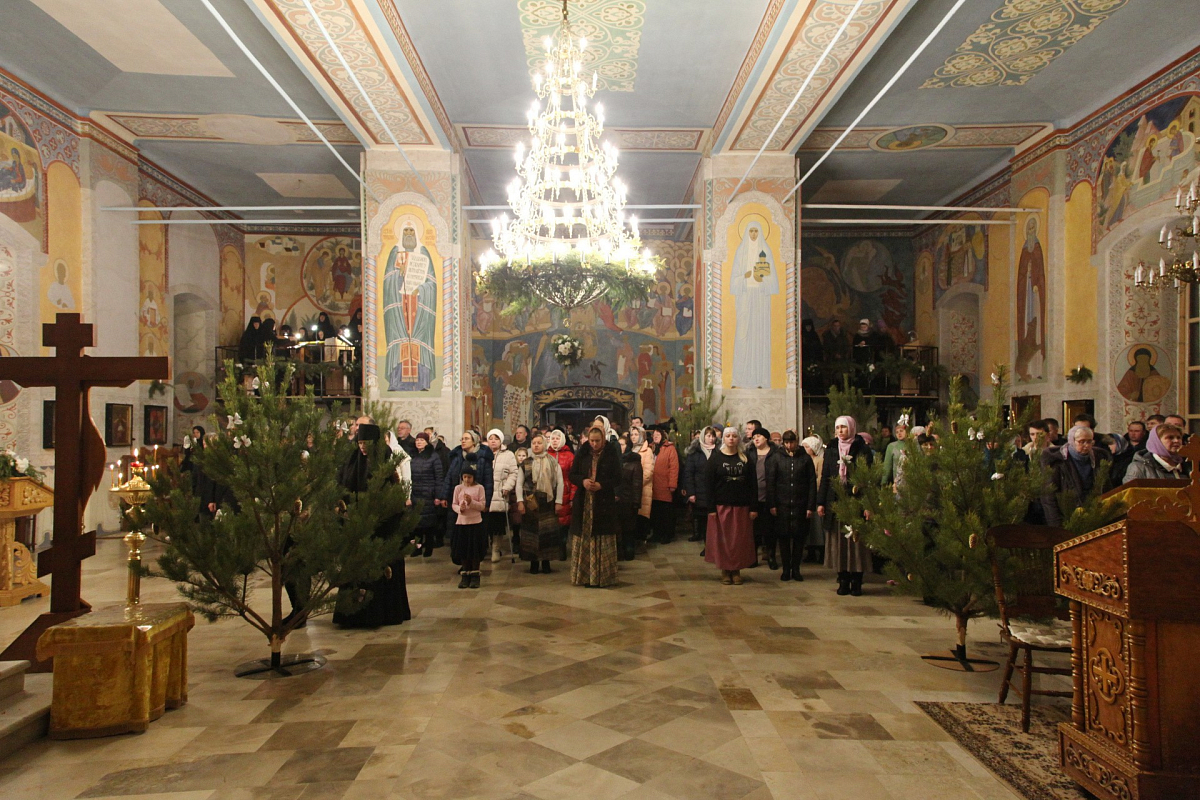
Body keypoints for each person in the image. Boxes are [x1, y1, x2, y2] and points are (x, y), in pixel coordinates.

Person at [332, 423, 411, 626]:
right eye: (359, 443)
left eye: (366, 443)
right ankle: (354, 614)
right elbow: (342, 488)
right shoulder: (352, 461)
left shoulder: (386, 461)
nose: (362, 447)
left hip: (382, 527)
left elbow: (394, 494)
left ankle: (383, 613)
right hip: (356, 525)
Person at [818, 415, 873, 597]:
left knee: (856, 542)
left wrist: (868, 505)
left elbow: (868, 480)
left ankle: (856, 581)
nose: (840, 431)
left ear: (851, 428)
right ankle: (842, 579)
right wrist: (820, 502)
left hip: (855, 501)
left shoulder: (862, 449)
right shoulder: (832, 448)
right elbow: (826, 477)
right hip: (835, 500)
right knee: (839, 542)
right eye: (838, 428)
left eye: (843, 427)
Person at [568, 426, 622, 587]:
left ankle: (602, 576)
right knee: (585, 536)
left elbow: (618, 478)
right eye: (592, 440)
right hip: (584, 502)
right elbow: (572, 474)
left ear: (603, 439)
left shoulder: (611, 453)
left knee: (602, 537)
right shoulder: (583, 452)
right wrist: (583, 481)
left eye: (597, 441)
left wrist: (601, 485)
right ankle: (585, 576)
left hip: (603, 501)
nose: (594, 444)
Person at [704, 427, 757, 585]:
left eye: (734, 436)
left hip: (741, 506)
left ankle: (736, 570)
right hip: (721, 506)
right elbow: (709, 485)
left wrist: (754, 507)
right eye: (728, 436)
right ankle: (725, 570)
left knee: (738, 541)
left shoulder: (746, 459)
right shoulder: (715, 459)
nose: (731, 438)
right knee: (724, 541)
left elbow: (753, 485)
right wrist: (711, 508)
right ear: (724, 439)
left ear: (738, 438)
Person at [767, 430, 817, 582]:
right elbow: (771, 482)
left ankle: (796, 569)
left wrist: (810, 506)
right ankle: (786, 569)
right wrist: (772, 504)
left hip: (800, 504)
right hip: (782, 504)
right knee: (783, 538)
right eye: (787, 442)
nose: (790, 445)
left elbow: (812, 483)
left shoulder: (805, 458)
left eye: (792, 442)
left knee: (799, 538)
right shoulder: (776, 458)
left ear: (797, 442)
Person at [442, 430, 494, 569]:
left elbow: (488, 481)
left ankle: (474, 564)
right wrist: (444, 495)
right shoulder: (457, 456)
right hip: (459, 500)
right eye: (462, 439)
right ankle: (463, 562)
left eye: (466, 438)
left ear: (474, 441)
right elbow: (449, 477)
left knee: (474, 537)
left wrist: (487, 503)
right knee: (460, 536)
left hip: (476, 502)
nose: (463, 441)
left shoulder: (483, 458)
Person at [515, 432, 566, 574]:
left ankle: (546, 562)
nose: (536, 445)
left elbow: (560, 483)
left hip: (548, 502)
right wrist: (520, 501)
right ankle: (533, 562)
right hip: (531, 501)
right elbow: (519, 484)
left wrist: (559, 501)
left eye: (539, 443)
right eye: (534, 443)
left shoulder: (553, 462)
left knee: (547, 533)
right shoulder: (526, 463)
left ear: (544, 444)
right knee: (531, 532)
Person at [1041, 424, 1101, 527]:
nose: (1086, 445)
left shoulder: (1098, 459)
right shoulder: (1057, 461)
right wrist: (1056, 525)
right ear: (1072, 441)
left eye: (1089, 441)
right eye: (1082, 441)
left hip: (1092, 516)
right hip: (1066, 516)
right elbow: (1048, 495)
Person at [485, 429, 519, 563]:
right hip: (484, 493)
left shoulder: (508, 455)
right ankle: (485, 548)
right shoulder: (483, 453)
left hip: (499, 493)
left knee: (497, 524)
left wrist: (507, 487)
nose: (493, 441)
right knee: (485, 523)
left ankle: (496, 548)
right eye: (491, 438)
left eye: (496, 438)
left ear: (501, 441)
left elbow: (514, 472)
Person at [408, 432, 444, 558]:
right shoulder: (412, 456)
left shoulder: (433, 456)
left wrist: (438, 495)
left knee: (428, 523)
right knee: (416, 524)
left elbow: (439, 477)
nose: (419, 442)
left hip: (428, 493)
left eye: (422, 440)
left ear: (427, 442)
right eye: (417, 440)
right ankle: (417, 548)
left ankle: (429, 546)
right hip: (415, 493)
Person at [747, 428, 778, 569]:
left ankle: (771, 557)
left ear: (766, 438)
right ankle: (753, 557)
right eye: (754, 437)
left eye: (759, 436)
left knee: (770, 530)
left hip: (770, 496)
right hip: (753, 497)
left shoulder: (775, 453)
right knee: (754, 531)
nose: (756, 439)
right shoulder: (749, 453)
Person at [451, 466, 487, 589]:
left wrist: (471, 502)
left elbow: (482, 506)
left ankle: (475, 575)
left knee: (474, 550)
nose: (467, 479)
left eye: (469, 477)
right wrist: (459, 509)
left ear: (474, 477)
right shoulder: (458, 488)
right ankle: (465, 575)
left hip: (475, 523)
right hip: (462, 523)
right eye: (465, 477)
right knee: (464, 550)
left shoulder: (479, 488)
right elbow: (454, 504)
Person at [682, 427, 718, 543]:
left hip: (715, 492)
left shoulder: (718, 451)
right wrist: (691, 493)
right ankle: (706, 544)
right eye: (708, 436)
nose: (711, 439)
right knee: (702, 520)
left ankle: (712, 545)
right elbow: (689, 474)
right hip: (699, 491)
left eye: (713, 436)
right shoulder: (694, 453)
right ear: (703, 437)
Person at [1123, 423, 1189, 482]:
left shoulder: (1188, 464)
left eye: (1179, 437)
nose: (1176, 441)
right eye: (1170, 437)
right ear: (1157, 442)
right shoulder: (1139, 467)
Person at [649, 427, 679, 544]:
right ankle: (656, 534)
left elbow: (674, 468)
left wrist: (672, 484)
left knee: (665, 512)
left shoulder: (670, 449)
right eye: (654, 435)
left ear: (663, 436)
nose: (655, 436)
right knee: (655, 512)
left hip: (665, 486)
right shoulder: (651, 448)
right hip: (653, 486)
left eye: (658, 434)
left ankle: (667, 534)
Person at [548, 429, 576, 544]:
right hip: (549, 491)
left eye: (557, 438)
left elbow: (573, 477)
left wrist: (572, 496)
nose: (555, 441)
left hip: (565, 490)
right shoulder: (546, 455)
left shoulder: (570, 456)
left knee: (564, 521)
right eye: (553, 438)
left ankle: (563, 546)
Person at [617, 438, 643, 561]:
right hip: (618, 501)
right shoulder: (616, 461)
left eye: (622, 444)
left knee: (629, 529)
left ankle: (629, 552)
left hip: (629, 501)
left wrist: (636, 502)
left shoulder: (634, 462)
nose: (619, 446)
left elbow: (637, 484)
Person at [801, 435, 826, 563]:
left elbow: (821, 477)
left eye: (807, 447)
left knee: (817, 526)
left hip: (815, 495)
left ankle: (821, 551)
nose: (805, 449)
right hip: (804, 496)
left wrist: (810, 485)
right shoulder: (803, 460)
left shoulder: (819, 460)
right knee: (809, 526)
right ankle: (810, 551)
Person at [628, 426, 655, 543]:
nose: (633, 437)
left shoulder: (647, 451)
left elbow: (648, 472)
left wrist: (636, 484)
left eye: (636, 434)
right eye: (632, 434)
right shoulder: (630, 450)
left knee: (641, 518)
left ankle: (641, 542)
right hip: (631, 490)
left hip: (642, 489)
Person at [880, 420, 910, 486]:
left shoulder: (912, 445)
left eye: (901, 431)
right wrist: (883, 482)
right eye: (897, 432)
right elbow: (887, 466)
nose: (899, 433)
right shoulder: (891, 446)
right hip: (898, 481)